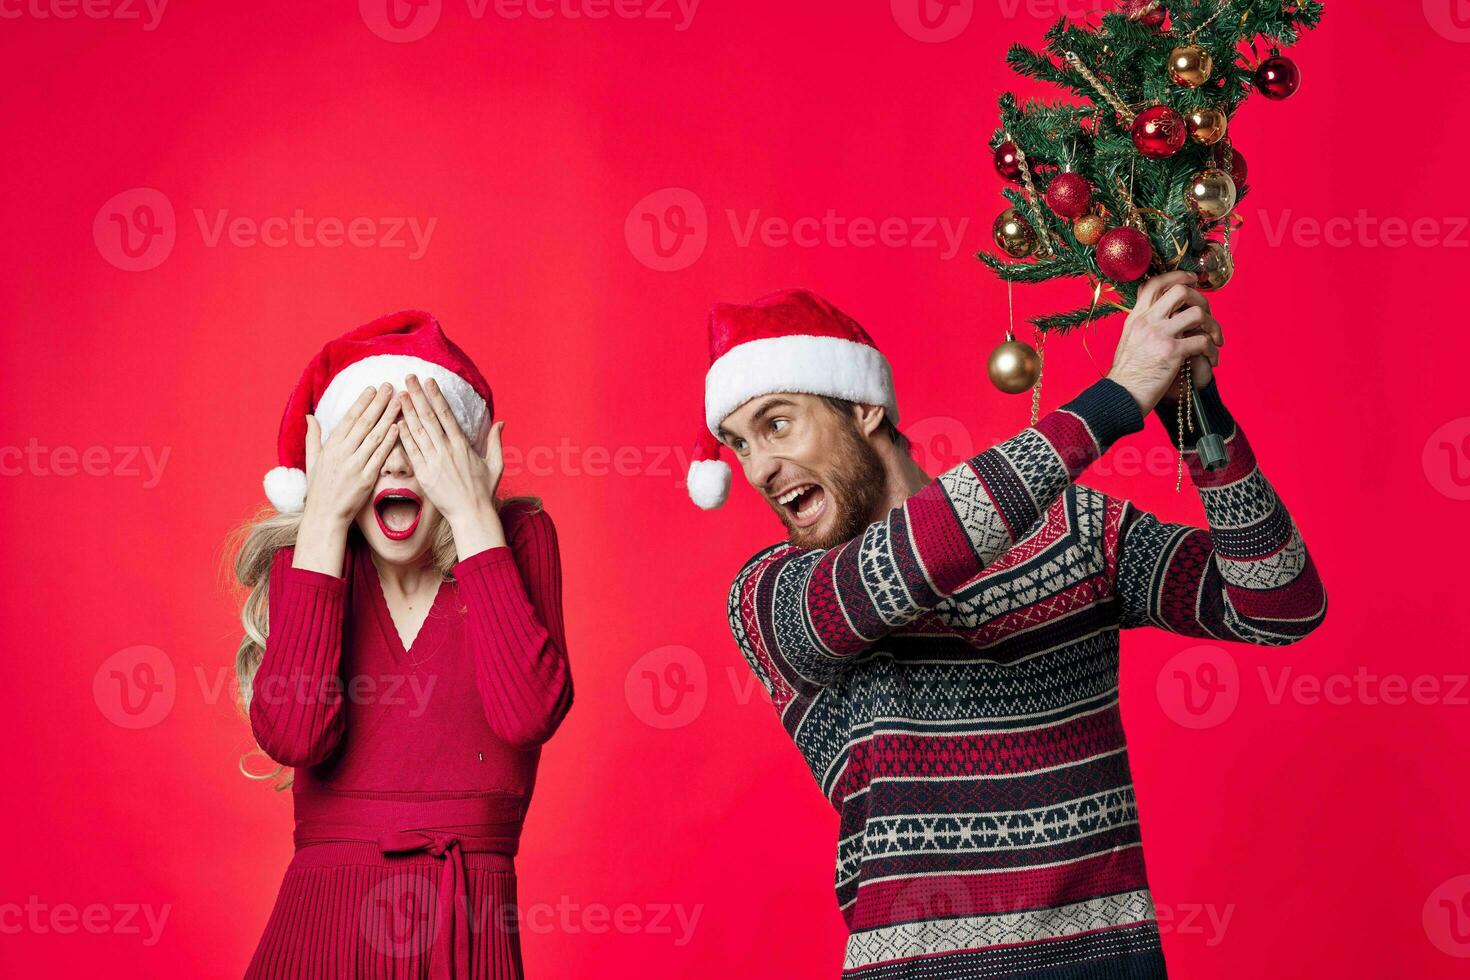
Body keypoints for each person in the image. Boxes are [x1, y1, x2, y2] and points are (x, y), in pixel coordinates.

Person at [687, 280, 1326, 978]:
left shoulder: (1075, 529)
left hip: (1107, 958)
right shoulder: (773, 593)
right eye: (738, 444)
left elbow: (1279, 604)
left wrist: (1195, 413)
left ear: (865, 406)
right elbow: (913, 559)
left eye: (777, 424)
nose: (759, 467)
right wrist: (1118, 395)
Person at [234, 311, 573, 979]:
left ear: (465, 453)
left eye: (420, 439)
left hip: (467, 938)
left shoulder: (516, 539)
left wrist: (476, 515)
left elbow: (528, 714)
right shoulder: (311, 561)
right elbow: (294, 736)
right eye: (366, 444)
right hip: (317, 941)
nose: (393, 459)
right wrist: (325, 519)